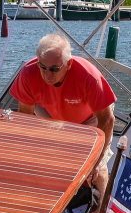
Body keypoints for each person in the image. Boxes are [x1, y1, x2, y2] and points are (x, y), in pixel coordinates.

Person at [11, 33, 117, 193]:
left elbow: (107, 119)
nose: (47, 75)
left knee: (97, 172)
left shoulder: (88, 77)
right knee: (43, 166)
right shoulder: (28, 73)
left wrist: (96, 160)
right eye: (43, 67)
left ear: (68, 64)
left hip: (91, 119)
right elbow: (25, 115)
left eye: (54, 69)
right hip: (51, 116)